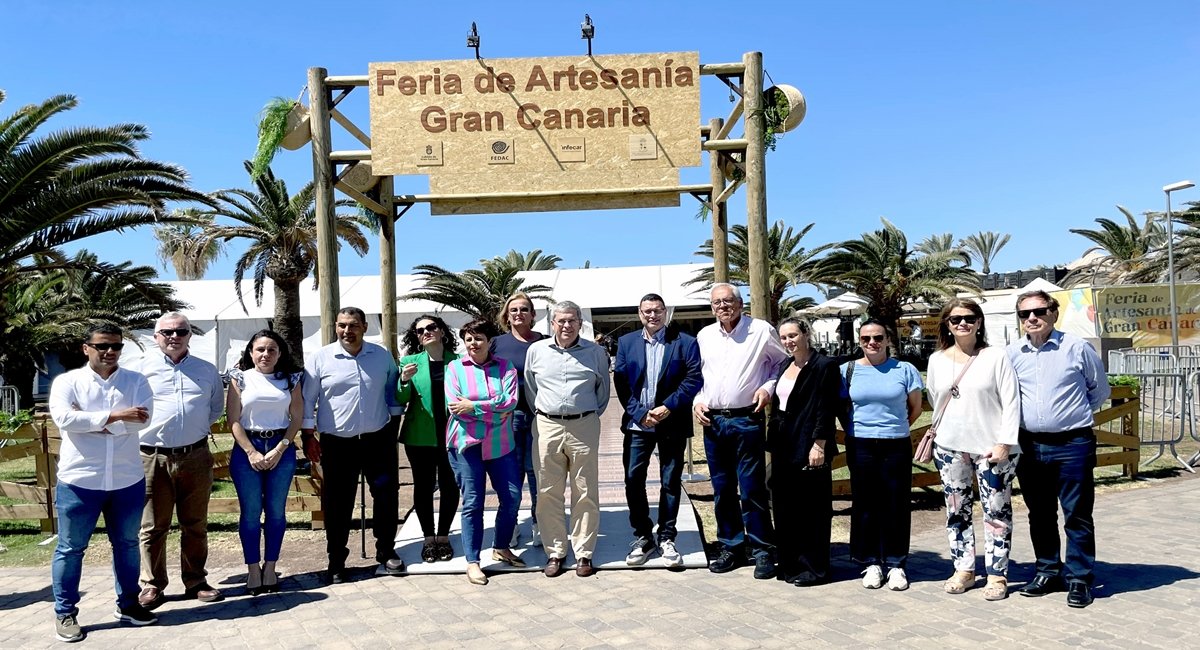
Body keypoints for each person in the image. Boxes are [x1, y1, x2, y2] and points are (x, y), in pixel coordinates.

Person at [49, 323, 157, 642]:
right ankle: (65, 612)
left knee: (126, 545)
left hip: (127, 480)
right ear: (87, 348)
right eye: (103, 346)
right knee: (71, 548)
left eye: (116, 346)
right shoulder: (68, 382)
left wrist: (93, 421)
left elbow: (145, 419)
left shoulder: (136, 381)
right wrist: (117, 416)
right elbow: (65, 419)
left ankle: (128, 605)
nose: (110, 352)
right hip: (79, 480)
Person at [1007, 290, 1108, 608]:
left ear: (1054, 313)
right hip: (1030, 446)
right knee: (1039, 514)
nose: (1032, 318)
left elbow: (1099, 390)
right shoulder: (1012, 353)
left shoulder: (1077, 348)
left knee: (1077, 514)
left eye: (1038, 311)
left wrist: (1068, 418)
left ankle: (1079, 579)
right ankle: (1048, 571)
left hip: (1072, 444)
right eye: (1025, 314)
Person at [301, 307, 405, 584]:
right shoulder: (320, 358)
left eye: (354, 325)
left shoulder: (381, 355)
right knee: (337, 502)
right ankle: (336, 558)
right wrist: (308, 435)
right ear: (336, 327)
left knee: (385, 495)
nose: (347, 331)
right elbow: (308, 400)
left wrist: (392, 429)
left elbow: (392, 394)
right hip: (337, 442)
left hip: (377, 438)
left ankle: (386, 549)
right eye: (342, 325)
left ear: (365, 327)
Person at [926, 299, 1020, 601]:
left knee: (997, 512)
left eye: (969, 318)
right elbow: (933, 398)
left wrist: (1005, 441)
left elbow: (1011, 400)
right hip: (951, 446)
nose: (962, 324)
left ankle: (996, 574)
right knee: (956, 511)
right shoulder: (937, 359)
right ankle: (964, 568)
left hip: (992, 449)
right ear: (947, 325)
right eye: (955, 320)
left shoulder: (995, 356)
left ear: (979, 322)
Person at [692, 283, 788, 578]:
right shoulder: (704, 335)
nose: (723, 306)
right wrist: (697, 400)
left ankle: (762, 549)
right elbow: (700, 376)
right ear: (711, 308)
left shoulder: (760, 330)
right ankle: (731, 546)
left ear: (740, 302)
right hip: (713, 422)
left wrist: (768, 387)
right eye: (717, 302)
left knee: (751, 488)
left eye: (728, 301)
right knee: (722, 489)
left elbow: (781, 363)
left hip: (747, 419)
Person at [134, 312, 225, 608]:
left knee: (195, 523)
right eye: (167, 332)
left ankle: (196, 580)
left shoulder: (207, 370)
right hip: (151, 457)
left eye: (181, 331)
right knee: (152, 526)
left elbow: (215, 409)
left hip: (195, 455)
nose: (174, 336)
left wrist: (189, 431)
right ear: (156, 335)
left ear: (189, 335)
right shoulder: (138, 370)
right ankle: (152, 585)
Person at [613, 293, 702, 568]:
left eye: (658, 310)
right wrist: (640, 413)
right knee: (633, 479)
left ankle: (666, 536)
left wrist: (667, 407)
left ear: (666, 312)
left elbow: (693, 378)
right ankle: (643, 535)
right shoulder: (627, 342)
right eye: (647, 311)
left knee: (670, 481)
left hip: (671, 422)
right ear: (640, 313)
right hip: (638, 424)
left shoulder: (685, 341)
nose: (653, 315)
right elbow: (621, 382)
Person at [525, 300, 610, 578]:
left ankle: (584, 552)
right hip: (547, 425)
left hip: (584, 424)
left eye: (572, 320)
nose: (566, 326)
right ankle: (555, 551)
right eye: (561, 321)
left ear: (580, 323)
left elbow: (602, 392)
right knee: (548, 491)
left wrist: (584, 412)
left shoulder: (596, 352)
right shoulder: (536, 351)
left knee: (585, 490)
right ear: (552, 323)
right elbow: (530, 387)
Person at [843, 318, 923, 591]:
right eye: (866, 339)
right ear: (859, 341)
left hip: (895, 445)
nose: (872, 343)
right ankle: (871, 562)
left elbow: (915, 409)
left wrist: (893, 427)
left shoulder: (905, 369)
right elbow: (841, 408)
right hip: (861, 445)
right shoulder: (848, 370)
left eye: (878, 338)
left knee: (896, 503)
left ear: (888, 340)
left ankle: (896, 563)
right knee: (865, 504)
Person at [444, 319, 525, 585]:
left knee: (512, 497)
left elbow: (510, 402)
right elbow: (456, 407)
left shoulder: (505, 368)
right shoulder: (455, 368)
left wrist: (476, 407)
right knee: (473, 503)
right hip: (467, 445)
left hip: (501, 445)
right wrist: (493, 410)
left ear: (490, 341)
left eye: (478, 338)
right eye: (468, 339)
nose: (473, 344)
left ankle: (501, 546)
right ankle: (473, 561)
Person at [225, 330, 304, 595]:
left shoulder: (291, 380)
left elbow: (296, 417)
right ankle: (252, 569)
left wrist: (281, 448)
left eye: (271, 350)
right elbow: (233, 420)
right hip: (248, 449)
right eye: (260, 350)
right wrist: (251, 452)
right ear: (250, 352)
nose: (265, 355)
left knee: (276, 512)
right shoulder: (240, 379)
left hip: (281, 448)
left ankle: (270, 567)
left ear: (280, 353)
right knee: (250, 513)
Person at [768, 317, 843, 586]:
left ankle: (814, 569)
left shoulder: (825, 366)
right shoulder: (785, 365)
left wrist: (819, 444)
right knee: (786, 508)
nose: (789, 341)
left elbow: (826, 407)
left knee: (812, 510)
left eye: (793, 335)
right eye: (784, 337)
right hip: (783, 445)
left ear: (805, 334)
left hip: (810, 444)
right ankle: (790, 565)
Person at [397, 314, 461, 563]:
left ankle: (443, 537)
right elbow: (400, 399)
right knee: (423, 487)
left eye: (431, 327)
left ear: (443, 331)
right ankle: (427, 538)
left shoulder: (459, 362)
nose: (426, 332)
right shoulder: (409, 362)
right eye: (419, 330)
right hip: (419, 437)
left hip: (453, 435)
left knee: (449, 486)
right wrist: (404, 380)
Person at [490, 292, 548, 547]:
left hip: (541, 417)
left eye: (524, 309)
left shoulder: (546, 342)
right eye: (513, 310)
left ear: (533, 315)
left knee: (538, 472)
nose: (519, 314)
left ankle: (539, 523)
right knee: (511, 474)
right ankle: (510, 525)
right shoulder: (496, 344)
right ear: (506, 315)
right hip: (508, 418)